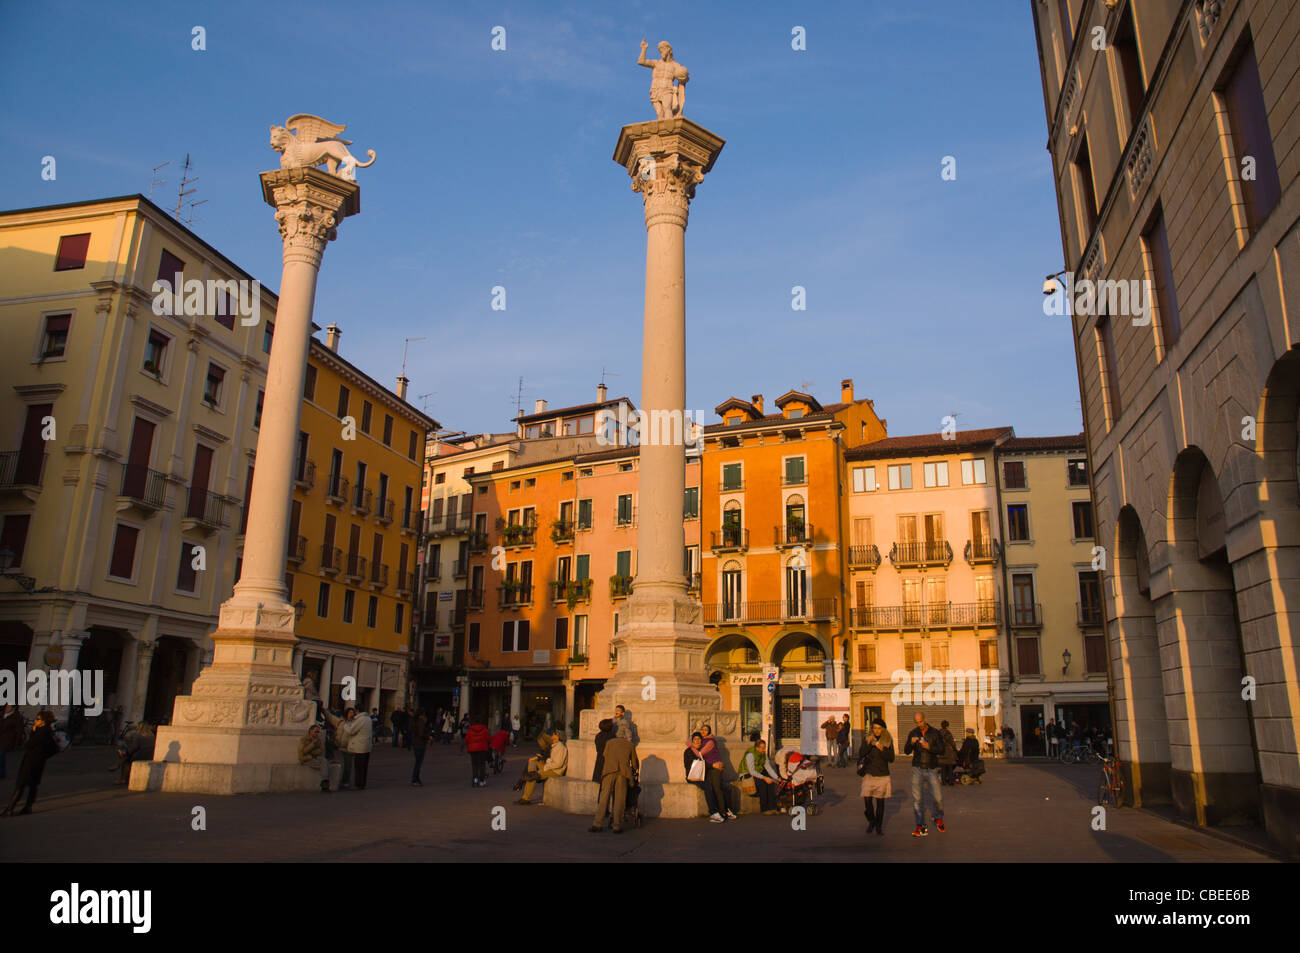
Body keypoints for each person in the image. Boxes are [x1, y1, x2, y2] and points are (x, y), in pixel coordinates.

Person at [2, 709, 59, 816]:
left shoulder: (42, 732)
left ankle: (10, 809)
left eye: (38, 719)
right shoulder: (47, 731)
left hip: (31, 762)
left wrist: (33, 732)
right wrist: (44, 755)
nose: (36, 721)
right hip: (38, 763)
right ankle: (27, 807)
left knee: (20, 785)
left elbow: (29, 744)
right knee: (32, 786)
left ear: (44, 721)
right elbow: (54, 749)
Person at [903, 711, 945, 836]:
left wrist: (929, 747)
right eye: (916, 722)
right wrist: (911, 743)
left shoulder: (935, 733)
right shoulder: (913, 733)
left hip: (931, 768)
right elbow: (906, 751)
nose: (919, 724)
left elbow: (942, 750)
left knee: (938, 797)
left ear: (925, 719)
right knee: (917, 799)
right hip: (917, 768)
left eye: (920, 721)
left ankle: (937, 817)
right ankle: (921, 825)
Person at [590, 730, 638, 833]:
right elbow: (634, 761)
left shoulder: (609, 742)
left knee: (604, 797)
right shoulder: (630, 745)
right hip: (623, 773)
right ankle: (617, 825)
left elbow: (605, 754)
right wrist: (635, 768)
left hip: (609, 771)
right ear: (627, 736)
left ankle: (597, 823)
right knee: (620, 799)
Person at [858, 717, 894, 835]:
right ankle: (871, 821)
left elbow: (891, 758)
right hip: (869, 773)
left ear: (883, 729)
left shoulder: (888, 740)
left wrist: (882, 749)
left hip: (882, 774)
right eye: (875, 728)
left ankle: (878, 826)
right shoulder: (868, 738)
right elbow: (861, 753)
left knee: (880, 803)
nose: (877, 731)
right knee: (867, 801)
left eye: (879, 728)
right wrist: (868, 744)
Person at [327, 707, 373, 790]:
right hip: (338, 744)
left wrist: (346, 726)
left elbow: (351, 731)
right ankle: (333, 781)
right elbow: (331, 718)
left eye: (353, 712)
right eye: (350, 713)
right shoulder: (341, 721)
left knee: (349, 766)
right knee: (334, 763)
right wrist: (325, 710)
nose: (352, 714)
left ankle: (346, 782)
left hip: (349, 746)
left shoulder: (356, 721)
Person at [517, 728, 566, 804]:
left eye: (554, 735)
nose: (552, 736)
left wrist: (546, 764)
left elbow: (558, 764)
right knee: (532, 762)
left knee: (533, 776)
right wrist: (540, 758)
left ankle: (526, 798)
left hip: (555, 771)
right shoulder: (554, 746)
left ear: (558, 737)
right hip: (549, 767)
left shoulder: (560, 748)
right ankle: (529, 776)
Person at [684, 732, 724, 822]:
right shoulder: (689, 751)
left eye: (699, 739)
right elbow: (696, 765)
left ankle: (721, 811)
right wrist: (713, 765)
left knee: (714, 785)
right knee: (708, 786)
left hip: (701, 775)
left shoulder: (701, 752)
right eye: (695, 739)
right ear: (692, 741)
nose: (697, 741)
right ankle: (713, 812)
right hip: (693, 777)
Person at [698, 724, 735, 819]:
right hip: (709, 767)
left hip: (715, 768)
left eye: (705, 730)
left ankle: (723, 811)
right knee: (713, 789)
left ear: (709, 731)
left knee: (717, 789)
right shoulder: (702, 740)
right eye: (702, 729)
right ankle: (719, 810)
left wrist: (692, 746)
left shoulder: (710, 741)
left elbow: (701, 753)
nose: (703, 731)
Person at [738, 734, 781, 814]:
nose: (764, 750)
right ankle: (764, 808)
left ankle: (772, 807)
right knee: (762, 783)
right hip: (746, 774)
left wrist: (777, 777)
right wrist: (764, 778)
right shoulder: (750, 754)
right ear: (757, 748)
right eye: (762, 748)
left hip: (758, 773)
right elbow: (751, 771)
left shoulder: (763, 754)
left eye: (765, 748)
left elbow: (768, 768)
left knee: (771, 782)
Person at [299, 724, 331, 792]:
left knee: (324, 761)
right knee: (324, 765)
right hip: (306, 758)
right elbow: (303, 751)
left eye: (318, 732)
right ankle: (325, 783)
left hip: (314, 757)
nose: (317, 733)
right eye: (316, 731)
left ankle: (324, 781)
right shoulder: (304, 739)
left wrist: (312, 751)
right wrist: (312, 744)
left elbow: (320, 750)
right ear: (310, 731)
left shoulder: (318, 740)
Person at [0, 704, 24, 780]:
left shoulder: (17, 717)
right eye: (6, 706)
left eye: (9, 707)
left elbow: (19, 730)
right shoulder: (2, 714)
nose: (7, 708)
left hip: (7, 739)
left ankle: (1, 773)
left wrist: (17, 741)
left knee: (1, 755)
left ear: (13, 708)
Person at [465, 720, 492, 787]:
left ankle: (475, 780)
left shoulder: (470, 730)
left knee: (474, 765)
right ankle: (482, 781)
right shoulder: (484, 729)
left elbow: (467, 739)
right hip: (482, 749)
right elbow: (488, 739)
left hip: (472, 749)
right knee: (482, 765)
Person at [410, 709, 431, 786]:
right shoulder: (421, 722)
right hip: (420, 743)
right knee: (418, 763)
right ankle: (415, 779)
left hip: (415, 743)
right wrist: (428, 737)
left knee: (417, 762)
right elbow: (421, 733)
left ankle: (417, 778)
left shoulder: (414, 721)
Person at [938, 719, 958, 785]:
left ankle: (943, 781)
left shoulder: (938, 733)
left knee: (943, 768)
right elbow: (952, 743)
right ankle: (950, 781)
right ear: (947, 726)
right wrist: (955, 749)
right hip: (948, 753)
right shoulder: (948, 733)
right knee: (950, 767)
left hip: (941, 752)